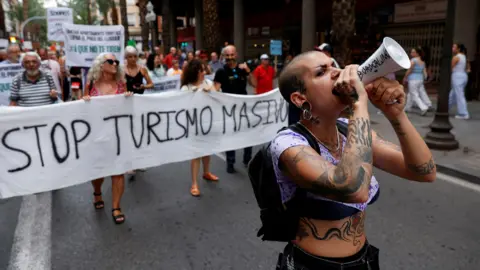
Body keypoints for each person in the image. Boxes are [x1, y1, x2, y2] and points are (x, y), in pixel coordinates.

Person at [273, 51, 436, 269]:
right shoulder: (287, 144)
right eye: (322, 72)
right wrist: (359, 104)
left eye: (334, 65)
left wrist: (395, 114)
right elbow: (353, 188)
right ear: (300, 98)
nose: (337, 73)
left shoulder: (347, 129)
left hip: (363, 261)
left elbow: (424, 172)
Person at [83, 53, 133, 225]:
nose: (115, 64)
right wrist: (85, 100)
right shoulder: (90, 85)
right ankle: (97, 192)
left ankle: (116, 206)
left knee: (118, 170)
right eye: (111, 61)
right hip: (97, 136)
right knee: (99, 171)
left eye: (116, 62)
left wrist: (129, 98)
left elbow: (130, 109)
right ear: (101, 65)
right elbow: (82, 111)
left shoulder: (122, 84)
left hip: (118, 135)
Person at [180, 59, 220, 196]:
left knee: (207, 150)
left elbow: (218, 98)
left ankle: (206, 172)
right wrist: (200, 93)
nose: (204, 73)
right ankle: (194, 183)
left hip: (208, 123)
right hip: (194, 125)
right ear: (195, 72)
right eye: (201, 70)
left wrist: (212, 92)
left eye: (204, 70)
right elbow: (184, 106)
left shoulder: (208, 83)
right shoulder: (186, 88)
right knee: (196, 154)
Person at [214, 45, 254, 173]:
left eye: (232, 55)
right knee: (230, 135)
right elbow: (215, 90)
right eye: (227, 55)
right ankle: (230, 162)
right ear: (224, 56)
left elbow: (254, 84)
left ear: (236, 55)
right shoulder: (221, 71)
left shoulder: (243, 69)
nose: (230, 58)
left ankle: (247, 160)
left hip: (244, 108)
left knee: (249, 134)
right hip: (229, 109)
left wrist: (248, 71)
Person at [402, 46, 429, 116]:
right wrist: (425, 78)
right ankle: (407, 107)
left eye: (413, 52)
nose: (411, 53)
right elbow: (424, 71)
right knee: (411, 94)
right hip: (420, 79)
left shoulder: (413, 60)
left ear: (417, 53)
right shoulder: (422, 61)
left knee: (414, 94)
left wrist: (405, 77)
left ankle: (423, 107)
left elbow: (409, 70)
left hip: (413, 79)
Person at [449, 43, 470, 119]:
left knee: (459, 95)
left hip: (457, 76)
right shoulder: (464, 56)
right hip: (463, 75)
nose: (453, 48)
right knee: (453, 94)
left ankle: (463, 113)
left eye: (454, 47)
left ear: (458, 49)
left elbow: (450, 68)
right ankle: (445, 108)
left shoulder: (456, 57)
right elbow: (468, 68)